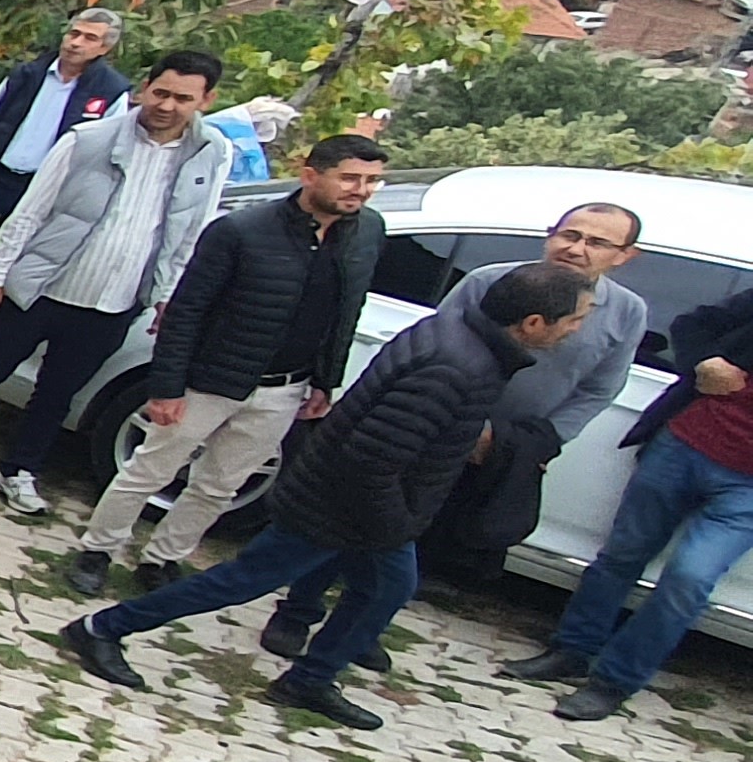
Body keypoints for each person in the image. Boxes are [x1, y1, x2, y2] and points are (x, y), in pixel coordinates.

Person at [54, 259, 596, 730]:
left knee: (387, 589)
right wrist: (396, 523)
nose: (576, 330)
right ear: (532, 323)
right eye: (574, 319)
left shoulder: (460, 340)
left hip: (371, 509)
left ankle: (312, 678)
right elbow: (373, 458)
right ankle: (103, 628)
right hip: (344, 505)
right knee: (240, 582)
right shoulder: (457, 368)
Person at [60, 133, 390, 601]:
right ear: (311, 174)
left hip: (285, 388)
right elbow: (187, 309)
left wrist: (326, 380)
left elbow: (345, 310)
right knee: (149, 470)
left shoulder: (367, 231)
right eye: (350, 178)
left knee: (220, 486)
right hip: (210, 379)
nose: (361, 190)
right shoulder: (242, 231)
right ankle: (98, 551)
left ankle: (162, 557)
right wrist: (168, 386)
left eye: (373, 180)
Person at [0, 54, 234, 517]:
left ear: (206, 100)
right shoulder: (89, 139)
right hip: (42, 286)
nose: (167, 105)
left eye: (183, 98)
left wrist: (167, 296)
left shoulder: (211, 154)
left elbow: (190, 231)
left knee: (59, 393)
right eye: (160, 93)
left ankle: (18, 470)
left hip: (116, 301)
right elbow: (31, 211)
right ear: (144, 88)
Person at [496, 281, 753, 723]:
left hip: (745, 489)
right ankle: (571, 650)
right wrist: (704, 365)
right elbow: (693, 324)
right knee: (621, 555)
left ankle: (614, 682)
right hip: (684, 446)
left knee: (689, 579)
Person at [391, 203, 651, 588]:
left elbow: (600, 388)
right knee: (394, 528)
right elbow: (432, 346)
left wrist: (541, 443)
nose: (577, 249)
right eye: (570, 235)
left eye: (597, 242)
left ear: (625, 256)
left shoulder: (627, 312)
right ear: (551, 234)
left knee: (455, 552)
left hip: (513, 450)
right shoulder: (488, 282)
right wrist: (470, 429)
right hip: (441, 429)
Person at [0, 7, 133, 350]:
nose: (76, 43)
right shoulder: (28, 73)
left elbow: (107, 150)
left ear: (105, 48)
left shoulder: (111, 91)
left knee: (17, 267)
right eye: (73, 33)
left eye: (88, 38)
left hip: (42, 191)